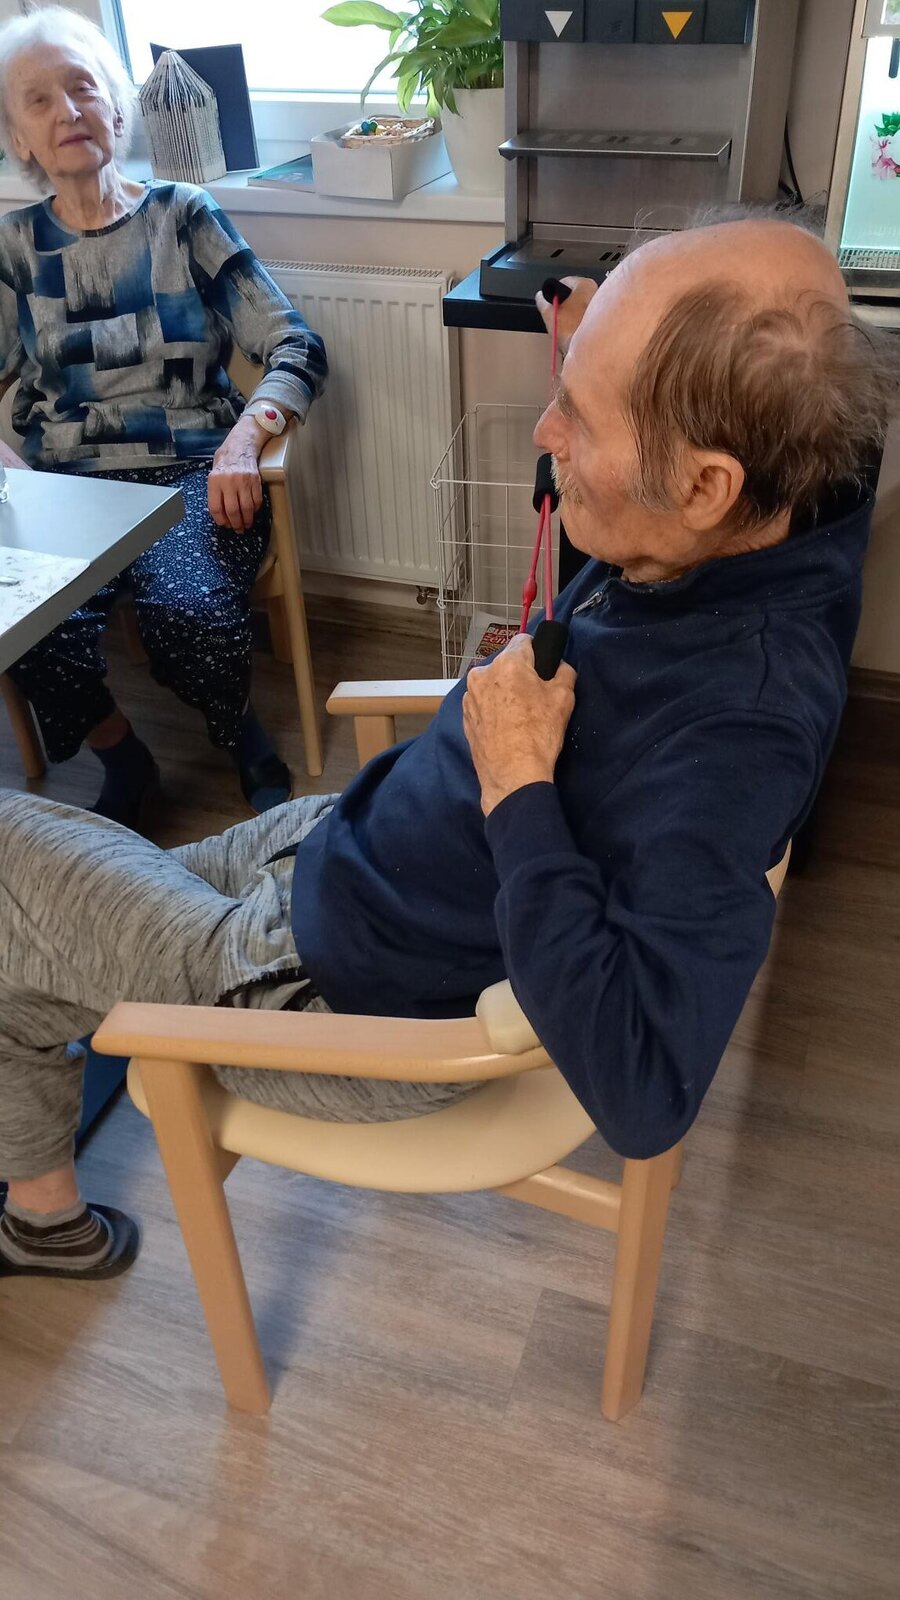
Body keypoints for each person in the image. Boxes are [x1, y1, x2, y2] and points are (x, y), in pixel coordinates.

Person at [0, 214, 896, 1282]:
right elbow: (800, 315)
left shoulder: (738, 730)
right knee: (27, 941)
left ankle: (42, 1218)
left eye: (578, 414)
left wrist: (519, 783)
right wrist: (604, 347)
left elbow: (647, 1088)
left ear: (706, 486)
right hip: (341, 844)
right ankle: (43, 1215)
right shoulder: (802, 487)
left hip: (328, 989)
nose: (545, 429)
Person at [0, 7, 327, 826]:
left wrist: (245, 442)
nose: (68, 111)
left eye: (83, 88)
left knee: (190, 614)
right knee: (25, 622)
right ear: (20, 141)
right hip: (68, 489)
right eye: (39, 100)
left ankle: (240, 731)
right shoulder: (12, 249)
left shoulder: (183, 216)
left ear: (116, 109)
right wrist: (14, 479)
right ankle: (124, 756)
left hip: (191, 474)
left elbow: (293, 343)